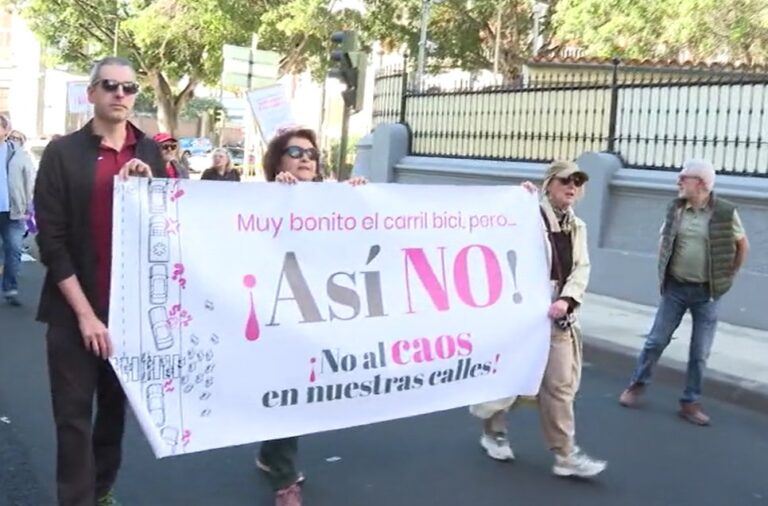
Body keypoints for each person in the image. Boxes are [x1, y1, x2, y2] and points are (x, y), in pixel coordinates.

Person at [34, 56, 166, 506]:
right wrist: (86, 315)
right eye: (109, 86)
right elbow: (50, 241)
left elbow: (170, 225)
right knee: (72, 418)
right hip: (75, 312)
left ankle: (101, 489)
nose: (120, 95)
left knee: (114, 413)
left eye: (129, 89)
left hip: (129, 312)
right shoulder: (62, 152)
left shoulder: (148, 151)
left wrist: (148, 192)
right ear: (91, 93)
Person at [470, 160, 607, 478]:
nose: (572, 187)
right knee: (511, 379)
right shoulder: (527, 215)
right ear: (549, 185)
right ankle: (493, 431)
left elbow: (581, 268)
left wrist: (567, 299)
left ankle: (565, 454)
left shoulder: (578, 227)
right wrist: (515, 203)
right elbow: (497, 241)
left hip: (558, 315)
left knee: (559, 385)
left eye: (577, 182)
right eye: (564, 181)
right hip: (523, 315)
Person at [257, 127, 367, 506]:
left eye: (311, 153)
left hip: (317, 311)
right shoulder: (260, 197)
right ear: (278, 161)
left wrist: (359, 200)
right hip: (274, 312)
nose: (306, 158)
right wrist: (278, 196)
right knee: (287, 386)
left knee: (296, 394)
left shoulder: (328, 199)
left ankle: (272, 455)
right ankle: (285, 481)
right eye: (295, 151)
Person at [619, 159, 749, 426]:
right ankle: (636, 386)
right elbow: (664, 239)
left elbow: (742, 245)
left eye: (683, 177)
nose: (678, 182)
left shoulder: (724, 212)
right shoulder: (676, 209)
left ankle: (690, 402)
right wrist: (664, 270)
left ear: (700, 183)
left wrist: (730, 275)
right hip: (676, 289)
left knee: (699, 352)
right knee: (655, 341)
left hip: (707, 293)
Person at [0, 118, 35, 306]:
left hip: (13, 212)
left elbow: (29, 180)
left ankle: (10, 289)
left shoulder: (18, 153)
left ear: (6, 130)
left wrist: (28, 206)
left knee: (13, 250)